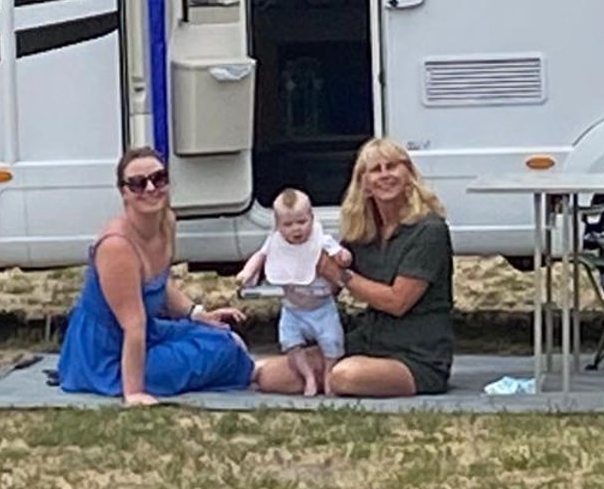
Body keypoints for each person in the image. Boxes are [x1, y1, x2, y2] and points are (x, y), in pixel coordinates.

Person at [253, 139, 455, 398]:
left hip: (417, 355)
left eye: (392, 167)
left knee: (344, 376)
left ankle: (339, 380)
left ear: (409, 176)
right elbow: (328, 284)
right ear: (365, 184)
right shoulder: (363, 232)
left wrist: (340, 275)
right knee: (270, 376)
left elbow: (397, 301)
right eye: (375, 169)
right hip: (367, 340)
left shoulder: (430, 230)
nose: (385, 175)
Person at [57, 147, 254, 405]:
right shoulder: (117, 246)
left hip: (145, 333)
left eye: (158, 179)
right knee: (223, 351)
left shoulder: (167, 222)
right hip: (107, 354)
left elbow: (158, 283)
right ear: (124, 192)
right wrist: (134, 393)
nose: (151, 189)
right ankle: (250, 373)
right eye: (138, 184)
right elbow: (133, 325)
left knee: (225, 338)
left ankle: (244, 370)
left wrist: (196, 314)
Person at [236, 187, 351, 396]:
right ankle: (308, 377)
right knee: (290, 344)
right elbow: (259, 257)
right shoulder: (274, 242)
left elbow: (340, 254)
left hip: (322, 307)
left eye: (302, 222)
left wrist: (343, 257)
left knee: (332, 343)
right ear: (278, 225)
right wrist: (246, 272)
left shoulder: (320, 239)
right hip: (293, 309)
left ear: (312, 218)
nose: (296, 229)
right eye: (288, 225)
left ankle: (327, 375)